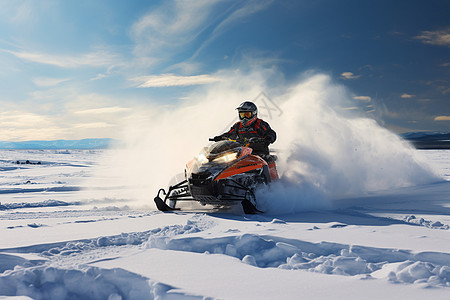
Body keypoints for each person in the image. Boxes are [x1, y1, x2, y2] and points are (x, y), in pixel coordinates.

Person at [213, 101, 278, 179]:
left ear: (254, 114)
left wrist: (268, 138)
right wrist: (220, 138)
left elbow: (270, 132)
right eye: (242, 115)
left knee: (268, 159)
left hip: (258, 152)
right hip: (242, 152)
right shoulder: (238, 126)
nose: (244, 118)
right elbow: (229, 134)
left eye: (247, 115)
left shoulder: (260, 124)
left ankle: (272, 183)